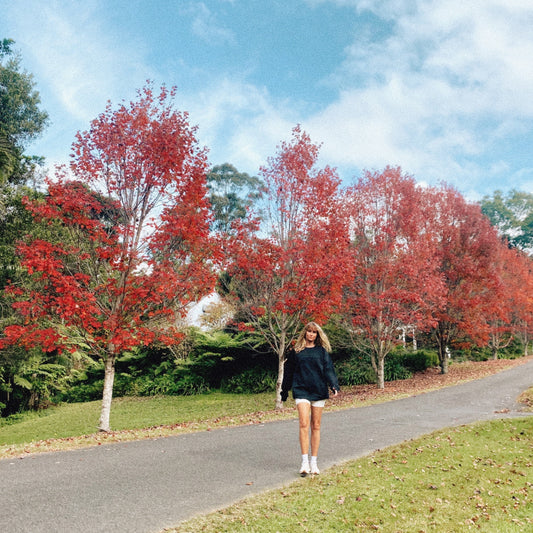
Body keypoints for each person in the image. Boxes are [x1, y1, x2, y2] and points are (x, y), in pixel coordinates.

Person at [281, 321, 339, 476]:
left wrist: (334, 385)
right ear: (305, 333)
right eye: (309, 331)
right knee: (304, 423)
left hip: (318, 390)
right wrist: (284, 391)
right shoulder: (296, 351)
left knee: (316, 426)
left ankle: (314, 462)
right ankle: (304, 462)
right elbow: (289, 371)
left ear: (317, 334)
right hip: (301, 390)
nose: (311, 334)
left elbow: (328, 370)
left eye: (314, 332)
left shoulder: (322, 352)